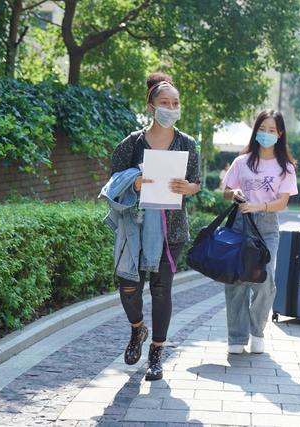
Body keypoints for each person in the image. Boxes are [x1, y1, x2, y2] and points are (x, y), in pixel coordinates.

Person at [107, 72, 200, 381]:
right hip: (134, 227)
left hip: (171, 228)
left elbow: (197, 183)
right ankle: (137, 329)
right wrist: (132, 181)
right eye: (164, 102)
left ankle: (156, 354)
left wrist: (189, 188)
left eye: (175, 103)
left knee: (161, 291)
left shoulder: (187, 144)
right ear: (150, 106)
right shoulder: (132, 143)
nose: (171, 107)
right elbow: (113, 180)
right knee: (129, 287)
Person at [222, 110, 298, 354]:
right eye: (262, 129)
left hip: (266, 227)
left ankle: (257, 331)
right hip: (239, 225)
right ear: (256, 131)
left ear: (280, 134)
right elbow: (226, 191)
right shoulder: (242, 162)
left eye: (272, 130)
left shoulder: (285, 167)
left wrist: (261, 206)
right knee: (236, 280)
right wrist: (234, 194)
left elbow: (283, 202)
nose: (266, 134)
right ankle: (236, 337)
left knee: (265, 279)